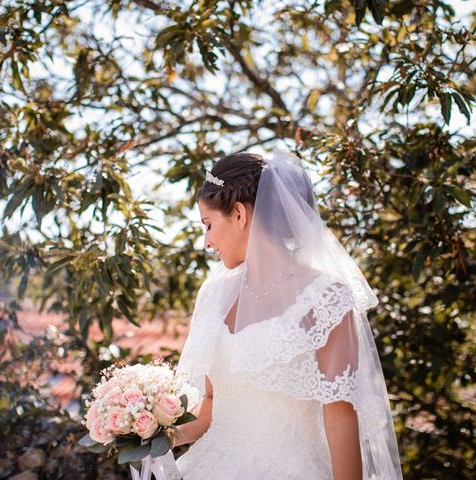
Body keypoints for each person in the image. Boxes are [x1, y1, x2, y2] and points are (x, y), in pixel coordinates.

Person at [165, 148, 402, 480]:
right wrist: (149, 433)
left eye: (208, 225)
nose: (207, 242)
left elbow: (339, 418)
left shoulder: (325, 297)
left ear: (238, 214)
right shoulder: (213, 295)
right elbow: (210, 404)